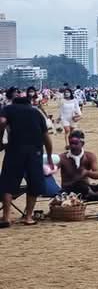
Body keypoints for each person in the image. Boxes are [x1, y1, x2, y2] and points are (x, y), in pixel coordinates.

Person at [0, 89, 54, 227]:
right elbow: (46, 137)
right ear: (29, 103)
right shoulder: (36, 112)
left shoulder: (8, 109)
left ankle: (6, 217)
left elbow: (2, 121)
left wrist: (1, 139)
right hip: (34, 151)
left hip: (14, 150)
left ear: (13, 102)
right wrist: (48, 156)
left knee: (7, 182)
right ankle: (28, 217)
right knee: (34, 182)